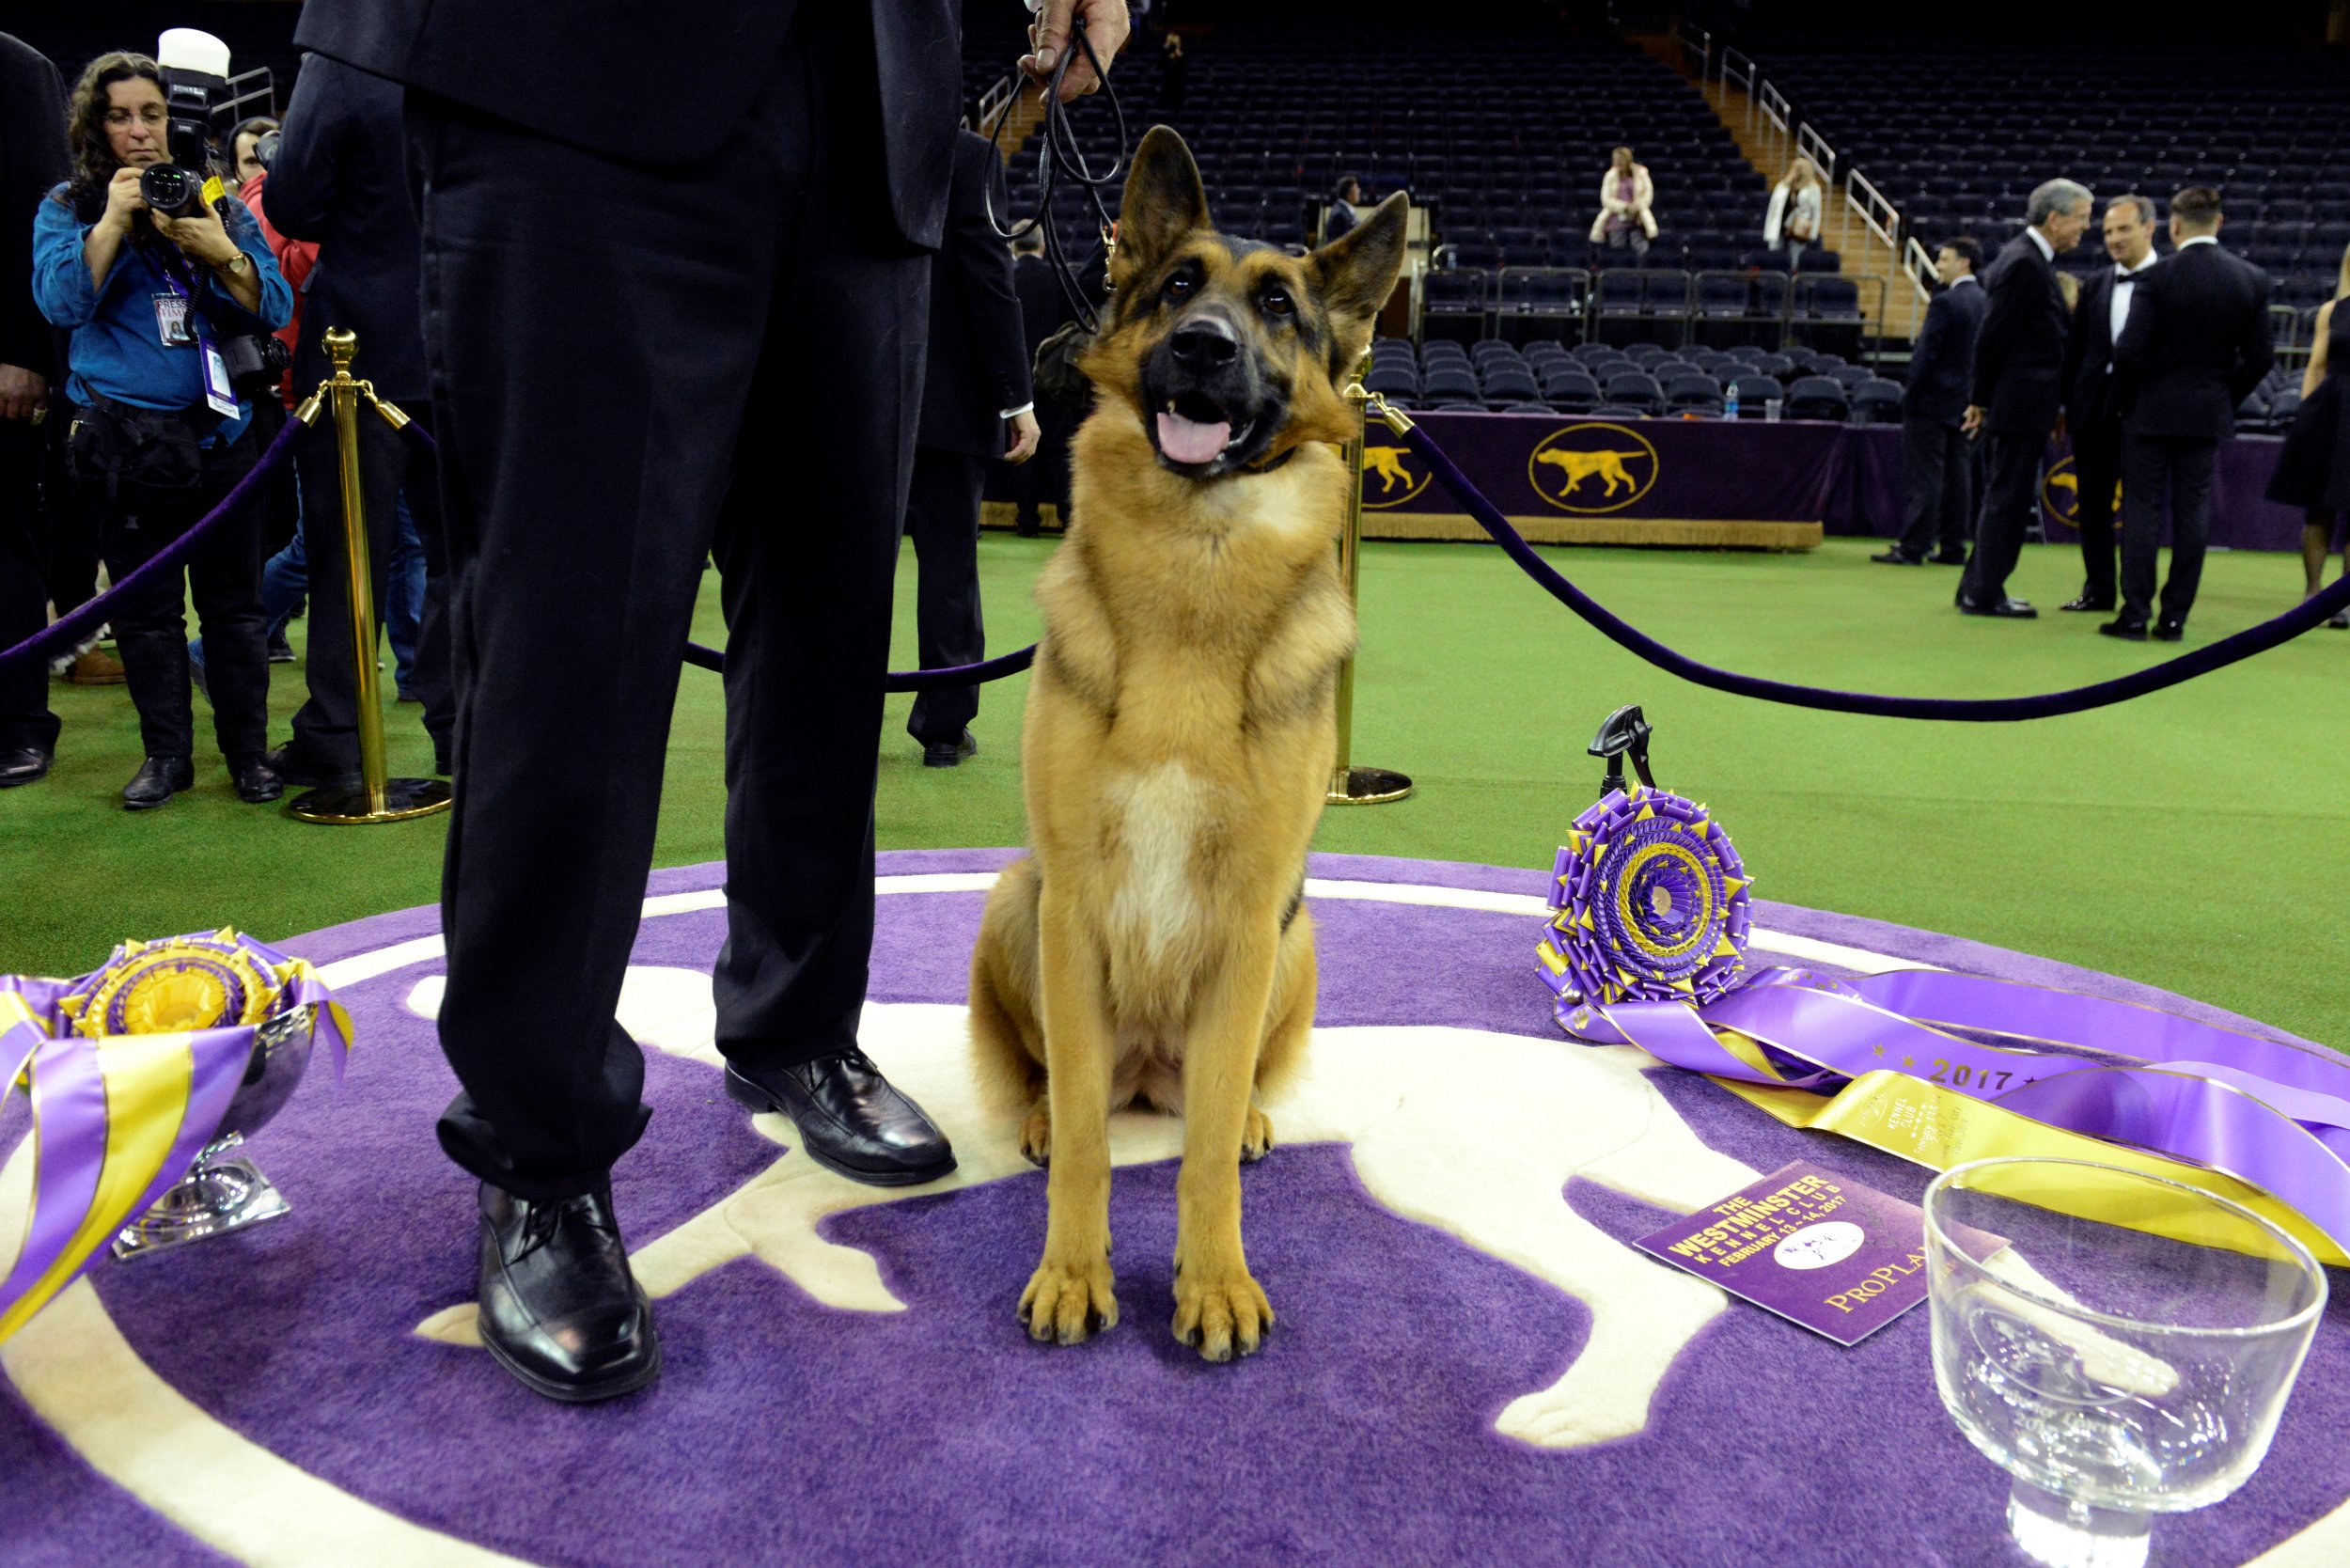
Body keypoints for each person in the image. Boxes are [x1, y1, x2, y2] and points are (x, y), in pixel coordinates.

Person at [290, 0, 1130, 1403]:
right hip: (574, 94)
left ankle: (798, 1026)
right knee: (571, 647)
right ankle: (540, 1151)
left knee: (828, 624)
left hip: (867, 103)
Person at [32, 52, 293, 809]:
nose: (140, 132)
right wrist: (115, 218)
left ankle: (248, 756)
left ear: (172, 120)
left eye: (151, 114)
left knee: (236, 609)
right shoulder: (68, 203)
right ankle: (165, 758)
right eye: (121, 117)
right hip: (125, 446)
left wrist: (217, 247)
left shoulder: (212, 196)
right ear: (95, 126)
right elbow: (59, 302)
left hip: (220, 438)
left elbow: (270, 301)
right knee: (145, 614)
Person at [258, 51, 454, 788]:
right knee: (462, 557)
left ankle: (338, 736)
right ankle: (461, 731)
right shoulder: (489, 45)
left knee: (349, 555)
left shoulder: (345, 54)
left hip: (359, 345)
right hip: (470, 333)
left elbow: (293, 202)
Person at [904, 129, 1039, 767]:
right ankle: (942, 727)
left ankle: (826, 716)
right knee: (949, 571)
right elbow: (989, 278)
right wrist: (1016, 398)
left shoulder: (838, 136)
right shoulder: (968, 156)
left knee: (841, 571)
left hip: (848, 402)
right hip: (947, 409)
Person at [2107, 187, 2273, 641]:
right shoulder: (2250, 279)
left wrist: (2126, 400)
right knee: (2192, 511)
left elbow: (2130, 351)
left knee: (2141, 510)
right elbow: (2261, 358)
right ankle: (2175, 617)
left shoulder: (2157, 278)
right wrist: (2223, 395)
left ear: (2174, 227)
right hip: (2206, 414)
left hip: (2149, 413)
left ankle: (2135, 614)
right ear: (2218, 224)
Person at [1956, 177, 2092, 619]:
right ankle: (1985, 592)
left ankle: (1976, 586)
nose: (2085, 229)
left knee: (2004, 496)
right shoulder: (2025, 264)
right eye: (2082, 219)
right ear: (2054, 219)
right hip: (2018, 405)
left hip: (2020, 403)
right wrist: (1980, 399)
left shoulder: (2029, 259)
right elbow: (1992, 337)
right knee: (2008, 500)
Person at [0, 31, 68, 790]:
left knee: (3, 545)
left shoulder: (20, 68)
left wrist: (26, 352)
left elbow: (40, 211)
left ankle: (19, 722)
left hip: (3, 368)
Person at [2056, 195, 2160, 614]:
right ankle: (2098, 590)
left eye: (2124, 229)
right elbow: (2075, 352)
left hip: (2146, 414)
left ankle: (2137, 598)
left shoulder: (2171, 280)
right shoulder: (2096, 283)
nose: (2114, 239)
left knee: (2140, 509)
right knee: (2094, 507)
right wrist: (2065, 407)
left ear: (2149, 227)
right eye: (2108, 232)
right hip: (2093, 414)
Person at [1875, 236, 1983, 567]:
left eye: (1944, 259)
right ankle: (1953, 548)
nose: (1938, 266)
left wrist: (1911, 396)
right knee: (1957, 478)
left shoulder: (1945, 302)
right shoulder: (1985, 301)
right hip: (1965, 404)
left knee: (1926, 478)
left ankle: (1913, 546)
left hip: (1932, 403)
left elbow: (1926, 354)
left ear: (1964, 262)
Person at [2267, 243, 2350, 629]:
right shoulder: (2332, 312)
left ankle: (2346, 599)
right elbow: (2316, 365)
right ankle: (2313, 594)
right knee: (2318, 508)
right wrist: (2306, 417)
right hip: (2330, 414)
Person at [1010, 227, 1072, 536]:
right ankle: (1067, 519)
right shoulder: (1057, 280)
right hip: (1054, 376)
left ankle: (1026, 520)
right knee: (1059, 449)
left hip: (1016, 378)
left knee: (1023, 447)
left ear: (1013, 246)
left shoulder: (1006, 278)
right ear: (1044, 246)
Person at [1588, 146, 1655, 259]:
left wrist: (1636, 207)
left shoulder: (1641, 173)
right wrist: (1624, 207)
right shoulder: (1610, 176)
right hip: (1617, 217)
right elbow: (1606, 199)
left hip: (1638, 217)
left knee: (1641, 250)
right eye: (1615, 159)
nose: (1617, 162)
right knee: (1617, 250)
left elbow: (1648, 194)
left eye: (1620, 159)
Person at [1764, 158, 1825, 270]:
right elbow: (1772, 208)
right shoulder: (1783, 185)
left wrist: (1813, 232)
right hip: (1780, 225)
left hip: (1798, 228)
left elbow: (1816, 212)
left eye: (1800, 169)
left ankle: (1792, 279)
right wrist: (1768, 230)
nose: (1797, 171)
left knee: (1795, 259)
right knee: (1775, 256)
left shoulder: (1813, 188)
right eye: (1795, 168)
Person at [1325, 173, 1363, 243]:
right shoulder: (1340, 215)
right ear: (1348, 193)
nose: (1359, 191)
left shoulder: (1345, 209)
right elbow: (1340, 244)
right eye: (1356, 189)